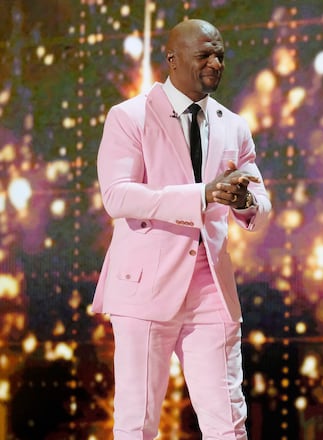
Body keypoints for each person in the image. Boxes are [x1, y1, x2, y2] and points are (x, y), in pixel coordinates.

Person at [93, 19, 271, 439]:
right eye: (204, 55)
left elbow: (260, 203)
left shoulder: (233, 124)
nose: (215, 63)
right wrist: (202, 195)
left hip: (211, 286)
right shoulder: (129, 116)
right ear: (172, 59)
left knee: (228, 421)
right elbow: (117, 196)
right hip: (145, 286)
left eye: (220, 56)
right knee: (138, 422)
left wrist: (244, 203)